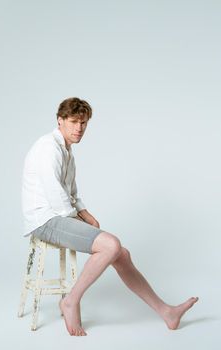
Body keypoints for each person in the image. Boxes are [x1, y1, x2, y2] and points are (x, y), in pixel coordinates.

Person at [21, 97, 199, 337]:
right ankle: (70, 301)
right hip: (45, 220)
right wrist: (77, 219)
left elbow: (71, 193)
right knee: (111, 245)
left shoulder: (67, 152)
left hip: (59, 216)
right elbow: (56, 197)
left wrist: (86, 214)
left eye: (83, 123)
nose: (79, 128)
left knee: (121, 253)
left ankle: (166, 312)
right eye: (74, 122)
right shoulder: (48, 148)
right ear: (60, 121)